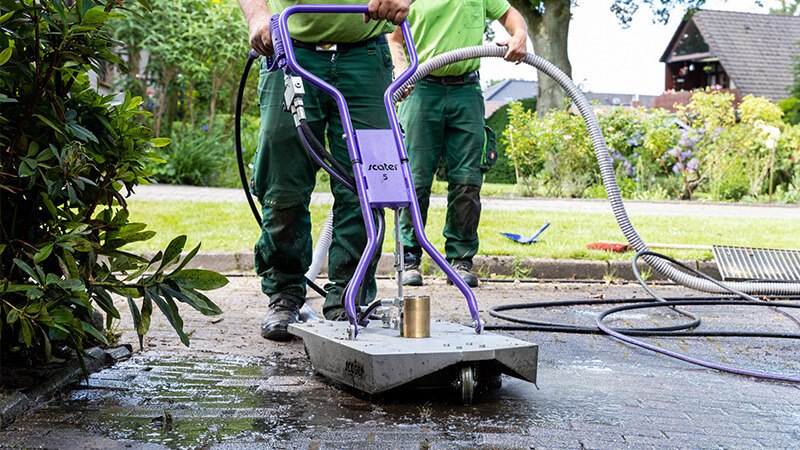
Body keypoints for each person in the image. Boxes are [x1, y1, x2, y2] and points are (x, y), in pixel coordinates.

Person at [237, 0, 413, 341]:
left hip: (366, 57)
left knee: (370, 184)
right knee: (282, 183)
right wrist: (258, 15)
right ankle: (284, 294)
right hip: (289, 50)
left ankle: (348, 300)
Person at [388, 0, 528, 287]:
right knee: (414, 179)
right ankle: (409, 259)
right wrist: (401, 69)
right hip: (421, 88)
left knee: (468, 179)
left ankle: (460, 259)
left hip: (466, 89)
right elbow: (393, 39)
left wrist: (519, 35)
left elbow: (510, 15)